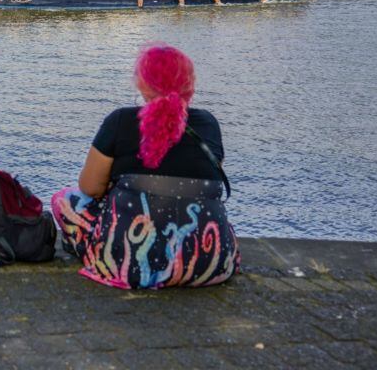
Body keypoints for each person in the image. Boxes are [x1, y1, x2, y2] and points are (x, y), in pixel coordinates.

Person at [50, 45, 239, 289]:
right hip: (210, 265)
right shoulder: (209, 124)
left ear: (142, 83)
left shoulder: (120, 121)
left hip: (130, 266)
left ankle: (104, 252)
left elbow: (89, 188)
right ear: (189, 83)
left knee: (64, 200)